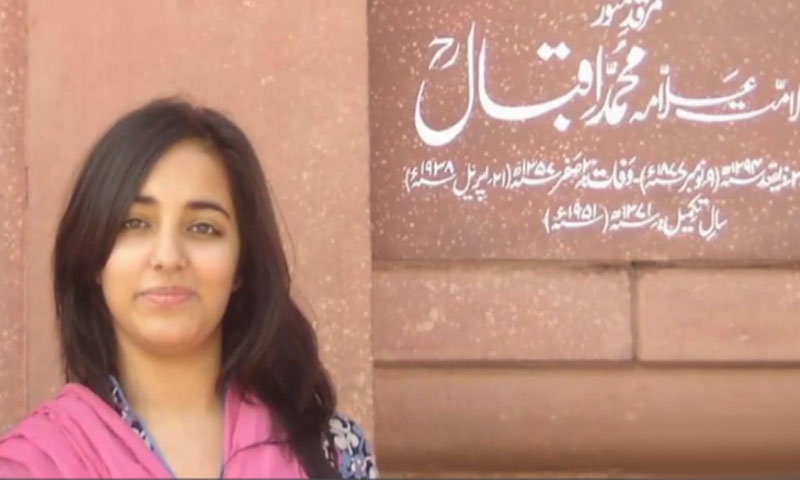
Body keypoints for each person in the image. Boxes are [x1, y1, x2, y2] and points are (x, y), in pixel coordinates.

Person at [0, 98, 378, 478]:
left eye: (203, 228)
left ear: (241, 265)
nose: (168, 257)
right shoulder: (34, 465)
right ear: (94, 255)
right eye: (134, 223)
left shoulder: (330, 452)